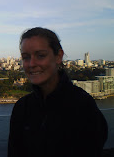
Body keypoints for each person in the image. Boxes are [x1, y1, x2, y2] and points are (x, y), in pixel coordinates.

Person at [8, 27, 108, 157]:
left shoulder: (83, 106)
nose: (31, 64)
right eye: (26, 57)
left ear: (58, 56)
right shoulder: (22, 108)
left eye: (40, 55)